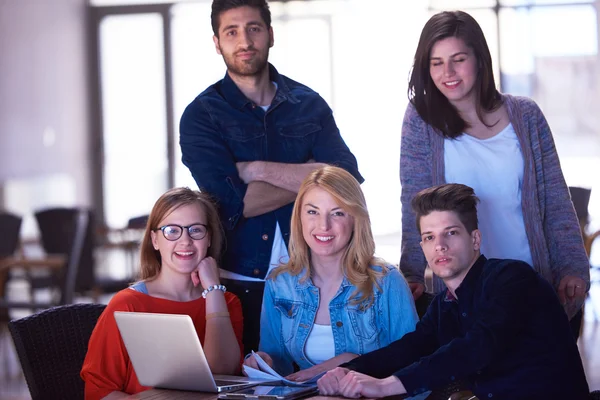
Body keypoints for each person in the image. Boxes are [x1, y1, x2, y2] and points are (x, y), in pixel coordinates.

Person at [179, 0, 363, 353]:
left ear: (270, 34)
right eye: (231, 32)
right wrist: (314, 179)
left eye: (254, 28)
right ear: (217, 42)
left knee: (318, 383)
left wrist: (255, 170)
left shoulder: (310, 104)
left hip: (317, 280)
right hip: (240, 284)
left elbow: (347, 181)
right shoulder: (201, 116)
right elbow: (235, 203)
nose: (244, 40)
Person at [399, 10, 589, 336]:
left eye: (458, 59)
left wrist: (571, 266)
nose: (448, 72)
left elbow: (556, 201)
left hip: (530, 283)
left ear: (480, 60)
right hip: (463, 295)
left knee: (542, 382)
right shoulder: (421, 121)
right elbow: (414, 205)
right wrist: (414, 273)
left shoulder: (525, 116)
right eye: (436, 62)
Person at [317, 183, 589, 400]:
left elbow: (478, 346)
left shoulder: (512, 279)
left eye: (451, 233)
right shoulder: (444, 305)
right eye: (429, 237)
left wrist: (387, 385)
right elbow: (409, 348)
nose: (440, 246)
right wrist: (348, 371)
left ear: (475, 239)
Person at [244, 166, 418, 381]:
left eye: (337, 213)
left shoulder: (387, 281)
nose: (323, 225)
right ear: (299, 218)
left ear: (355, 219)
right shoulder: (280, 283)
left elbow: (414, 369)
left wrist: (344, 367)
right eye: (312, 212)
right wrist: (264, 363)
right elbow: (280, 368)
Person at [81, 187, 243, 399]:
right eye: (172, 231)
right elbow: (97, 391)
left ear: (209, 238)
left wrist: (213, 289)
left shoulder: (226, 302)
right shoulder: (127, 305)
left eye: (195, 230)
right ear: (155, 240)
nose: (185, 241)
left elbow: (222, 372)